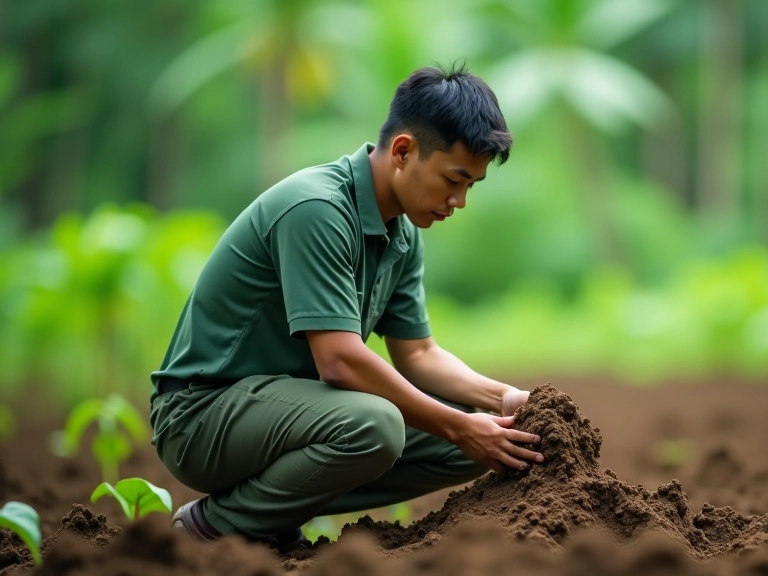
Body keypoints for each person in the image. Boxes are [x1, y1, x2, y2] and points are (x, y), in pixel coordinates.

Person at [148, 64, 544, 552]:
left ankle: (272, 512)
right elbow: (338, 360)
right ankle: (217, 524)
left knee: (490, 441)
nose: (458, 201)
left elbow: (419, 354)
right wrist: (462, 426)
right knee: (380, 424)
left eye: (470, 186)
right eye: (452, 180)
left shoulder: (401, 232)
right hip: (202, 417)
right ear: (403, 151)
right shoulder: (315, 208)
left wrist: (504, 401)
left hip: (289, 413)